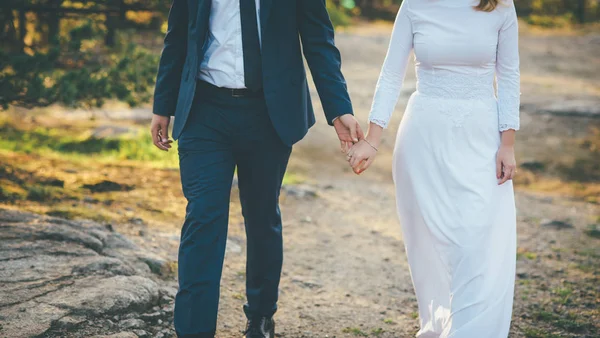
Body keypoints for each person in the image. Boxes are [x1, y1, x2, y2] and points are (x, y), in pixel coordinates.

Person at [149, 1, 362, 337]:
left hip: (269, 112)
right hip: (205, 111)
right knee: (203, 218)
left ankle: (261, 316)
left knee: (261, 215)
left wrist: (338, 110)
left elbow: (318, 41)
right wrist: (163, 104)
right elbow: (178, 36)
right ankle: (193, 329)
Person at [347, 0, 520, 336]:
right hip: (423, 139)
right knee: (429, 245)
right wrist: (373, 137)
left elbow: (510, 75)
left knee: (478, 240)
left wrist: (508, 143)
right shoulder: (415, 4)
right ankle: (439, 324)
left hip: (481, 137)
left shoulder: (500, 6)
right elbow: (391, 72)